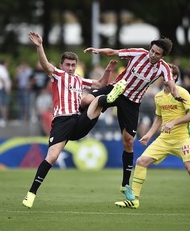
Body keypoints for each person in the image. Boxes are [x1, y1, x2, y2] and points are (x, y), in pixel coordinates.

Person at [22, 31, 127, 208]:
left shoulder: (79, 79)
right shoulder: (57, 75)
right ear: (62, 65)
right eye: (68, 65)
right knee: (52, 157)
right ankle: (31, 193)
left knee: (94, 100)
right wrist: (39, 46)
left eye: (73, 65)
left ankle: (108, 100)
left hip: (78, 121)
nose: (70, 68)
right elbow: (46, 65)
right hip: (62, 122)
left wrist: (108, 71)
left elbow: (100, 84)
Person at [83, 37, 184, 200]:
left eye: (157, 53)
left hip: (132, 102)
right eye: (152, 50)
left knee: (129, 141)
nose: (152, 55)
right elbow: (114, 52)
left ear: (162, 56)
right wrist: (98, 50)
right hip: (117, 89)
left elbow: (171, 83)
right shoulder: (138, 53)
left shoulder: (163, 68)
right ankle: (76, 118)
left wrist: (176, 93)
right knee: (86, 100)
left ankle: (125, 184)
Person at [114, 64, 190, 212]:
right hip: (164, 139)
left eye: (166, 75)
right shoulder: (159, 96)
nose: (163, 77)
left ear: (174, 77)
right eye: (162, 75)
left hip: (182, 138)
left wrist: (173, 122)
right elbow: (158, 119)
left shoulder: (182, 92)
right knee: (141, 161)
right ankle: (134, 200)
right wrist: (148, 135)